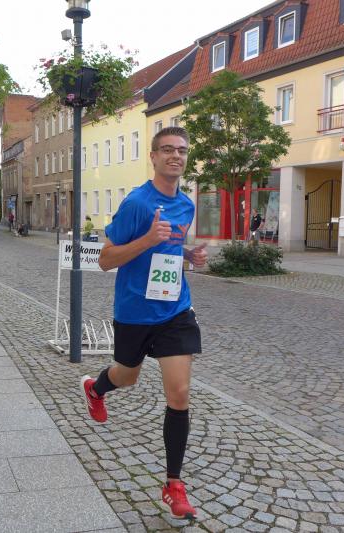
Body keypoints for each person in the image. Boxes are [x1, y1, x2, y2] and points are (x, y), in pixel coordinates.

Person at [80, 126, 208, 520]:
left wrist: (188, 255)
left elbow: (169, 247)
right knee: (127, 376)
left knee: (180, 393)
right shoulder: (137, 204)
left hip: (175, 309)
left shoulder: (185, 205)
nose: (175, 155)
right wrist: (148, 239)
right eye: (167, 149)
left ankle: (173, 484)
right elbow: (105, 260)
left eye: (181, 150)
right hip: (135, 310)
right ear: (153, 157)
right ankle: (95, 388)